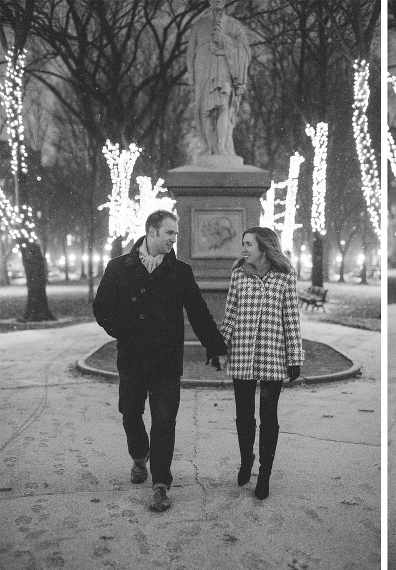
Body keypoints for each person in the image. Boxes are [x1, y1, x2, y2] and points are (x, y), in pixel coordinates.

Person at [93, 210, 228, 512]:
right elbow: (101, 307)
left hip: (166, 360)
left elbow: (198, 312)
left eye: (176, 234)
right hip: (132, 358)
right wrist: (123, 331)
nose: (174, 239)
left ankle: (161, 484)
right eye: (169, 233)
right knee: (130, 413)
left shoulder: (180, 271)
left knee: (164, 421)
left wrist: (215, 346)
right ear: (152, 232)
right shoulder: (119, 267)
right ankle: (139, 455)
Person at [219, 227, 304, 499]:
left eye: (248, 244)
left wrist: (295, 357)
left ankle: (265, 473)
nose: (243, 249)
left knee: (269, 417)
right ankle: (247, 459)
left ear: (264, 247)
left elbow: (291, 317)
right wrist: (221, 348)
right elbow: (230, 314)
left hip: (272, 353)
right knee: (244, 415)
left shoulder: (285, 275)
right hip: (242, 352)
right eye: (243, 244)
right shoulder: (238, 274)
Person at [186, 0, 251, 157]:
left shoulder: (234, 25)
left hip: (224, 67)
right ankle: (209, 147)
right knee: (205, 111)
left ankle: (221, 147)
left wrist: (224, 39)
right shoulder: (199, 25)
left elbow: (245, 49)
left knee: (223, 106)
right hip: (203, 69)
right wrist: (191, 78)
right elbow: (190, 53)